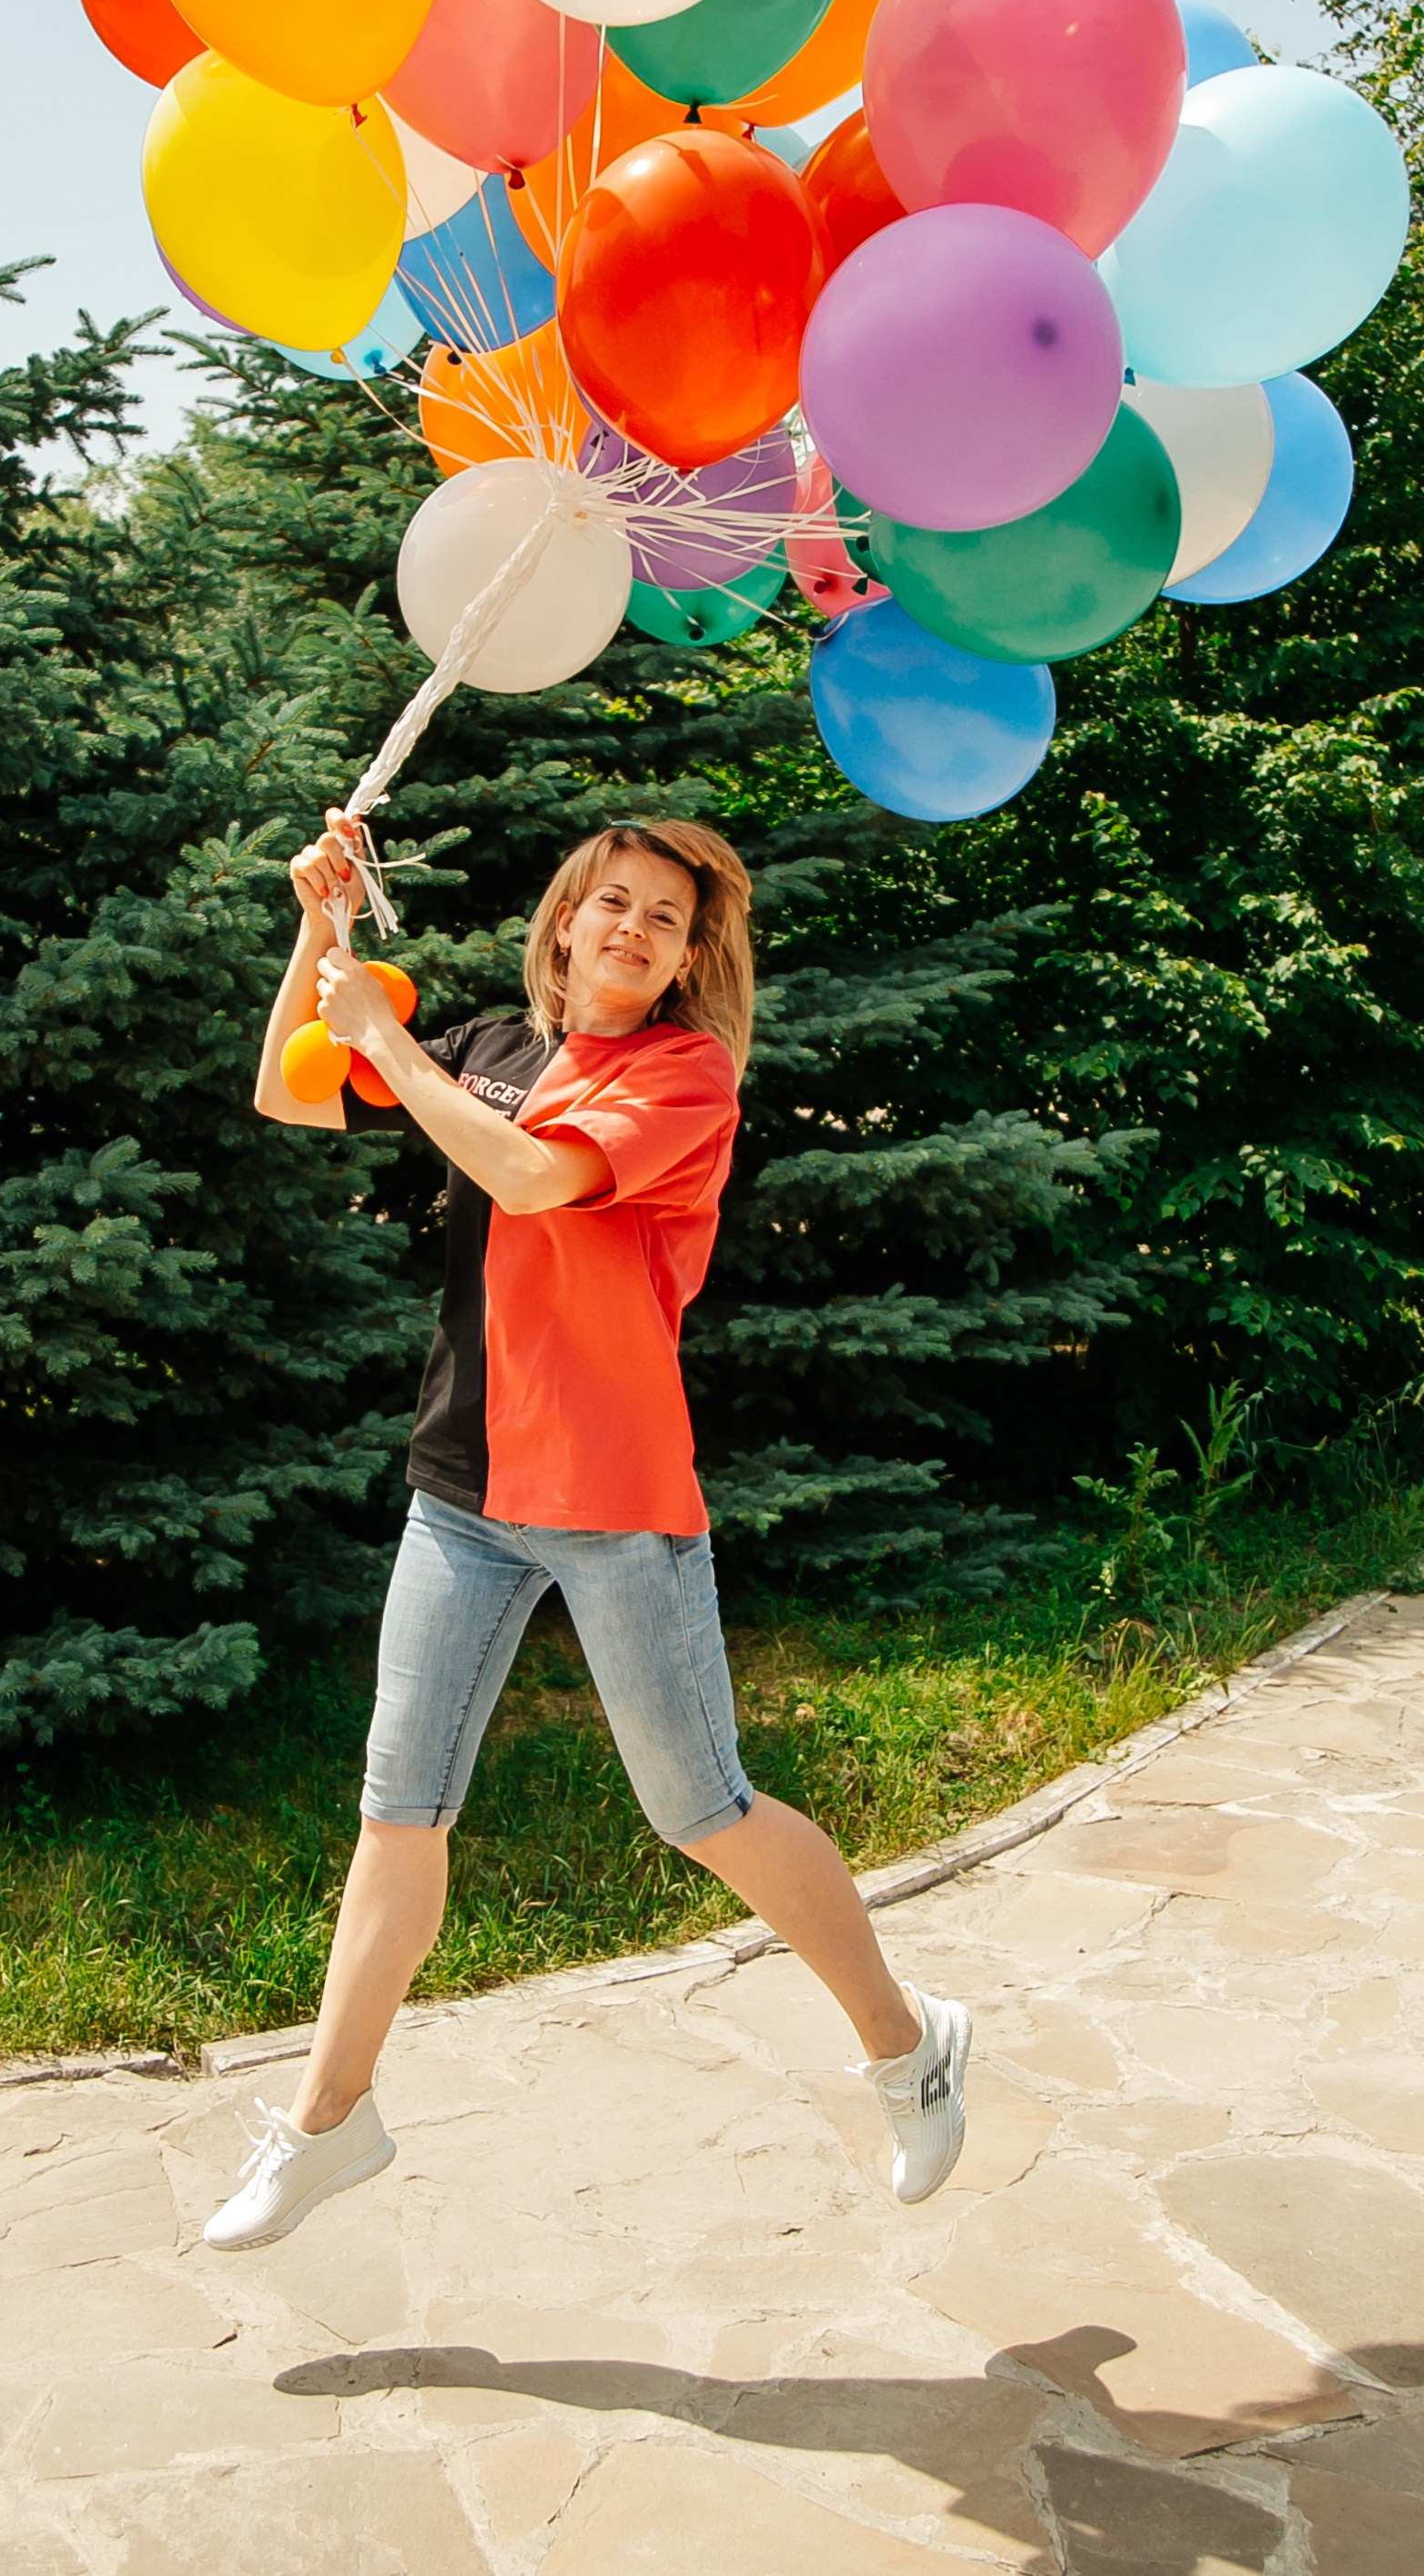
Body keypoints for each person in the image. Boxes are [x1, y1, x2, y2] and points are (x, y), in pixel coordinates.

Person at [202, 810, 970, 2251]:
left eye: (664, 919)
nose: (631, 928)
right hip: (464, 1486)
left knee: (701, 1810)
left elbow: (530, 1176)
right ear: (564, 920)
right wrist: (320, 929)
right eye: (611, 902)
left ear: (685, 961)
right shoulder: (490, 1044)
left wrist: (390, 1040)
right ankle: (325, 2122)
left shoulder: (683, 1077)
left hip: (611, 1501)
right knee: (397, 1810)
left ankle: (907, 2042)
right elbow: (288, 1095)